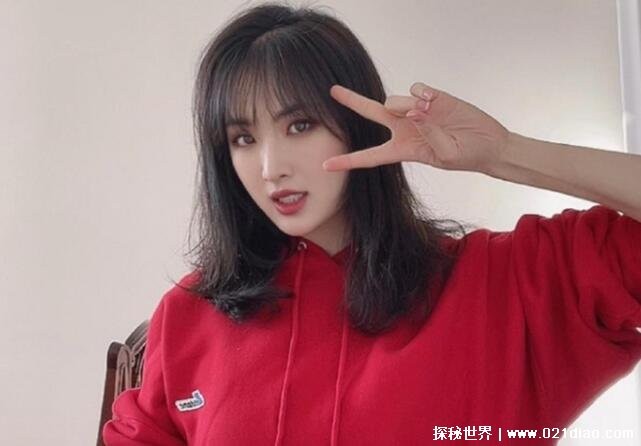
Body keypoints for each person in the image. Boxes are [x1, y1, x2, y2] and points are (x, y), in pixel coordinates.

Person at [102, 2, 641, 445]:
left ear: (356, 126)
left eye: (300, 125)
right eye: (243, 138)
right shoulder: (189, 316)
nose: (271, 167)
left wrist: (504, 153)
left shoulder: (504, 286)